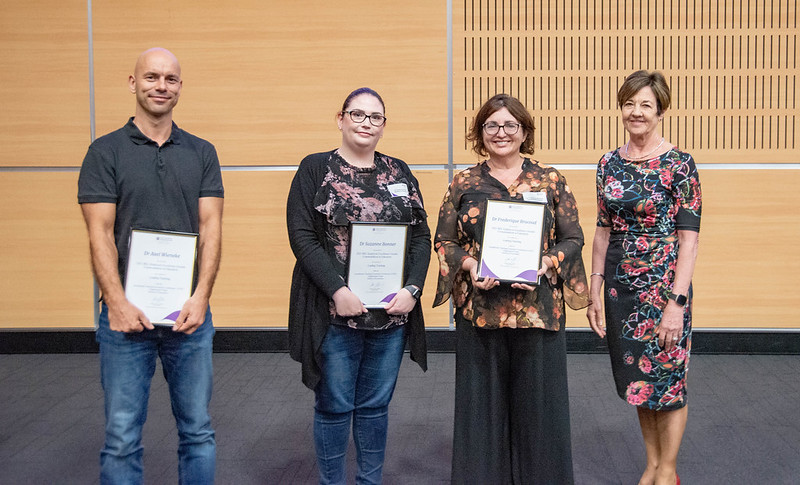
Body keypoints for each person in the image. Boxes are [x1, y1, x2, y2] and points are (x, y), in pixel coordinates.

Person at [78, 47, 224, 485]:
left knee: (198, 432)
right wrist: (117, 303)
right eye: (152, 77)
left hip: (189, 318)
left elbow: (211, 226)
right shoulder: (104, 152)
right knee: (122, 436)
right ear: (132, 83)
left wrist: (201, 298)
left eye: (171, 79)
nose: (161, 86)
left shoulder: (201, 152)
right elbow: (99, 233)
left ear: (180, 86)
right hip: (125, 321)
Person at [433, 93, 589, 484]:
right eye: (491, 125)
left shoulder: (550, 179)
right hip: (481, 312)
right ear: (480, 132)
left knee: (541, 413)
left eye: (509, 125)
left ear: (524, 131)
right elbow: (444, 240)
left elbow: (573, 238)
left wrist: (545, 263)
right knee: (479, 412)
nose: (500, 133)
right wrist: (469, 265)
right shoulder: (464, 182)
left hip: (538, 312)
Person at [286, 87, 430, 485]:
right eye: (358, 114)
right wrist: (337, 290)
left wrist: (413, 289)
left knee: (374, 407)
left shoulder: (399, 171)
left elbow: (420, 237)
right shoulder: (316, 168)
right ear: (341, 118)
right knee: (333, 406)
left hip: (391, 315)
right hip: (335, 314)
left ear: (384, 124)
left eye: (376, 117)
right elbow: (302, 236)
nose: (367, 123)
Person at [586, 70, 702, 485]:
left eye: (646, 105)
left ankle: (668, 471)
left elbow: (689, 241)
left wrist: (677, 303)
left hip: (664, 288)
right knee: (639, 379)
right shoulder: (608, 163)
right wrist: (595, 289)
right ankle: (651, 465)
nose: (636, 112)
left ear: (660, 111)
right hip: (620, 287)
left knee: (667, 381)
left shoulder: (679, 164)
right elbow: (602, 229)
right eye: (630, 103)